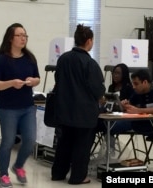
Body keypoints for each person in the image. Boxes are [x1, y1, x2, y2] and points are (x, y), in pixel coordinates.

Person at [51, 24, 105, 184]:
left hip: (64, 110)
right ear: (89, 41)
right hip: (84, 113)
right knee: (82, 146)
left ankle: (58, 173)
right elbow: (97, 89)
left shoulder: (63, 59)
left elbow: (58, 81)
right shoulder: (90, 63)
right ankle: (78, 176)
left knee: (64, 143)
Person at [0, 23, 40, 187]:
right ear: (11, 38)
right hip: (7, 108)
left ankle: (18, 166)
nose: (23, 38)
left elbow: (37, 78)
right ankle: (3, 175)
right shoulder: (2, 60)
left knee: (30, 139)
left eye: (25, 35)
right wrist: (11, 83)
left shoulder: (29, 58)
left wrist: (33, 81)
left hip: (27, 107)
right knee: (8, 141)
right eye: (20, 35)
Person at [97, 63, 134, 154]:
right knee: (97, 124)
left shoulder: (129, 88)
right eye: (114, 73)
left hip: (124, 118)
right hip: (110, 115)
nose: (115, 75)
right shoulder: (111, 87)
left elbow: (131, 105)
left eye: (118, 73)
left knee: (110, 126)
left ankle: (110, 150)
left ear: (124, 75)